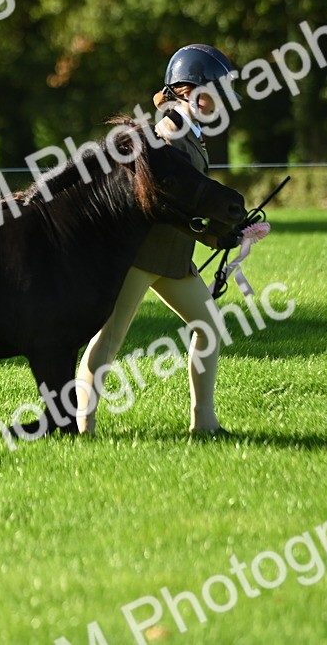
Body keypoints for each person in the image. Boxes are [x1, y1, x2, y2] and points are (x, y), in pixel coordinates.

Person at [75, 44, 243, 436]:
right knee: (110, 340)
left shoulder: (191, 133)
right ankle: (83, 424)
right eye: (211, 94)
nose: (218, 104)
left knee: (209, 327)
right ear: (185, 92)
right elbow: (174, 197)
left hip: (172, 257)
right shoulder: (169, 132)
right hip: (141, 254)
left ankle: (205, 423)